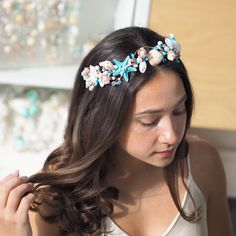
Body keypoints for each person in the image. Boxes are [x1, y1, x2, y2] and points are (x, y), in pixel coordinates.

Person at [0, 26, 233, 236]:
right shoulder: (56, 198)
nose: (171, 135)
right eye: (150, 121)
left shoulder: (203, 163)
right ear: (106, 120)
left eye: (178, 110)